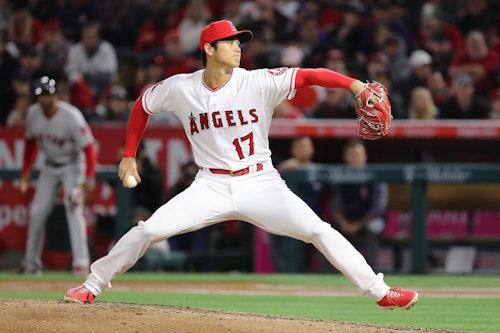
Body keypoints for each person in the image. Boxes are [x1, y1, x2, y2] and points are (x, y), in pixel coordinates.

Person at [64, 20, 418, 310]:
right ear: (208, 49)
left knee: (318, 230)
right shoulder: (181, 87)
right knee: (149, 231)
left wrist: (354, 85)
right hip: (209, 186)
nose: (238, 47)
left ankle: (380, 292)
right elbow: (142, 105)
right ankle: (92, 284)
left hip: (260, 183)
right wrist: (128, 154)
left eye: (239, 42)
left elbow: (310, 76)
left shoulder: (258, 81)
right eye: (229, 42)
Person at [19, 76, 97, 276]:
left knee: (73, 206)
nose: (44, 99)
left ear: (55, 95)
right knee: (37, 212)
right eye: (41, 95)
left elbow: (89, 148)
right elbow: (30, 143)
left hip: (72, 165)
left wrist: (88, 179)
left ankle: (81, 264)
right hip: (49, 166)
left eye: (48, 94)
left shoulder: (71, 116)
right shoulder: (33, 114)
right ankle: (30, 264)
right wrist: (26, 171)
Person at [331, 138, 389, 271]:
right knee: (328, 231)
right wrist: (344, 223)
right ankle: (329, 273)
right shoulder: (341, 177)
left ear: (364, 156)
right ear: (346, 157)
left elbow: (378, 207)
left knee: (373, 228)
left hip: (370, 220)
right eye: (351, 155)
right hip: (348, 220)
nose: (355, 159)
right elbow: (336, 205)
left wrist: (358, 224)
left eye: (358, 155)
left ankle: (371, 273)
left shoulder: (375, 175)